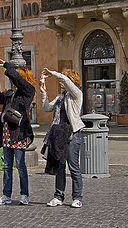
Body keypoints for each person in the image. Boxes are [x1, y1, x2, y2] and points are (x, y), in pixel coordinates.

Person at [0, 59, 35, 206]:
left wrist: (7, 67)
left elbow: (18, 80)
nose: (15, 79)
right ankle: (6, 195)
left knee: (21, 166)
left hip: (19, 133)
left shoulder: (28, 92)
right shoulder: (10, 94)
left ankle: (24, 194)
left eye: (18, 76)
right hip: (6, 133)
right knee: (7, 166)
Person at [40, 68, 85, 208]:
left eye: (64, 79)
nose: (61, 82)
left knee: (73, 168)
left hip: (72, 134)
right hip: (59, 136)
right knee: (60, 167)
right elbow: (47, 108)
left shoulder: (76, 94)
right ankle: (58, 196)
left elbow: (65, 80)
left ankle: (77, 197)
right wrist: (43, 94)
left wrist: (53, 73)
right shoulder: (61, 97)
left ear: (71, 81)